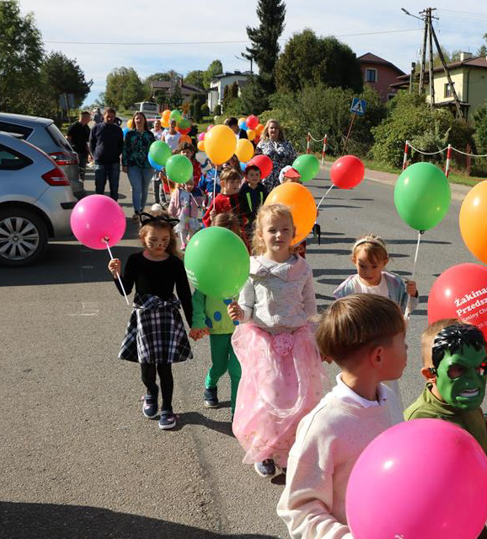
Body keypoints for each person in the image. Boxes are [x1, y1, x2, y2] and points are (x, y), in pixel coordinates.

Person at [277, 294, 407, 538]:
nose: (407, 348)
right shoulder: (323, 426)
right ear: (378, 356)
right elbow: (299, 509)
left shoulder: (388, 397)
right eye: (403, 341)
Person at [227, 203, 327, 478]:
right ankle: (266, 450)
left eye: (285, 230)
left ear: (294, 233)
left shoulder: (302, 268)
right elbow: (247, 308)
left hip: (298, 341)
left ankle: (290, 450)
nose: (279, 235)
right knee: (269, 398)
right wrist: (240, 313)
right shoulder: (252, 268)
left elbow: (310, 308)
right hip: (265, 342)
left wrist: (318, 340)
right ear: (260, 234)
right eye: (272, 230)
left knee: (301, 398)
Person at [107, 213, 193, 430]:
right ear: (143, 237)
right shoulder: (135, 260)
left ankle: (167, 408)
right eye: (153, 240)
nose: (159, 245)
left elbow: (184, 294)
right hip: (144, 319)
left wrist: (194, 324)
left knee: (165, 368)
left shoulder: (174, 262)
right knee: (147, 368)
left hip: (167, 319)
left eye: (164, 241)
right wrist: (116, 274)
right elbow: (126, 291)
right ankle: (151, 392)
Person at [404, 320, 487, 456]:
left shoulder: (467, 402)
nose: (472, 378)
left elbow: (480, 448)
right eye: (458, 369)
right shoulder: (419, 423)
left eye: (480, 367)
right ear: (430, 374)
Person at [189, 213, 246, 415]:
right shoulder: (208, 264)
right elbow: (198, 298)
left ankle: (236, 414)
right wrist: (198, 322)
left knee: (236, 370)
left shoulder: (243, 261)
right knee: (220, 366)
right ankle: (210, 384)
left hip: (241, 326)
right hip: (217, 326)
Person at [333, 235, 419, 319]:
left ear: (384, 263)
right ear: (354, 261)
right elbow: (340, 317)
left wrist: (412, 294)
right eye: (362, 266)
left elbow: (406, 309)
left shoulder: (394, 284)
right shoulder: (348, 288)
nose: (368, 272)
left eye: (374, 266)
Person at [123, 112, 156, 221]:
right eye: (137, 118)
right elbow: (125, 150)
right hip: (133, 165)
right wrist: (124, 164)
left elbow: (155, 150)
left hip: (148, 166)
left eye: (141, 118)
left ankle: (142, 209)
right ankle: (137, 211)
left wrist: (157, 164)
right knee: (136, 188)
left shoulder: (149, 135)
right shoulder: (129, 135)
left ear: (144, 120)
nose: (139, 120)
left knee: (144, 188)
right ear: (134, 120)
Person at [89, 107, 124, 200]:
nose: (110, 118)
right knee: (99, 189)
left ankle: (114, 211)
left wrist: (117, 154)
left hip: (114, 162)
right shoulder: (96, 128)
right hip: (100, 162)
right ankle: (99, 210)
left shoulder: (118, 130)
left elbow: (121, 145)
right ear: (103, 116)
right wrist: (94, 155)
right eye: (108, 116)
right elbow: (91, 143)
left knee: (114, 189)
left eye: (112, 117)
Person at [257, 119, 296, 191]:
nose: (274, 130)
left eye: (276, 128)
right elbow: (257, 163)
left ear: (279, 130)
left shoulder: (287, 144)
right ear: (267, 130)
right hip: (266, 182)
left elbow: (294, 161)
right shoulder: (262, 144)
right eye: (271, 128)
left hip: (283, 181)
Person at [167, 178, 203, 250]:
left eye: (192, 184)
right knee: (182, 229)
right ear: (182, 184)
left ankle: (190, 240)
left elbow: (200, 202)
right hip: (182, 214)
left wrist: (199, 201)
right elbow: (173, 201)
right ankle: (183, 243)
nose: (190, 186)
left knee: (191, 229)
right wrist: (170, 210)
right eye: (188, 184)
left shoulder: (195, 192)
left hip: (191, 215)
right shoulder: (178, 192)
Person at [238, 163, 269, 237]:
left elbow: (266, 201)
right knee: (249, 237)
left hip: (261, 218)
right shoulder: (243, 190)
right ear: (246, 177)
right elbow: (241, 205)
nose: (254, 177)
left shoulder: (262, 189)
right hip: (248, 220)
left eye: (257, 175)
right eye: (251, 175)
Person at [67, 111, 92, 182]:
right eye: (88, 118)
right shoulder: (74, 126)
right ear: (84, 117)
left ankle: (81, 186)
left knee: (82, 171)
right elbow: (68, 138)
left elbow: (87, 142)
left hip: (83, 153)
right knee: (75, 172)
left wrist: (90, 154)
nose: (90, 119)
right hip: (75, 152)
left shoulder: (86, 128)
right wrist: (70, 150)